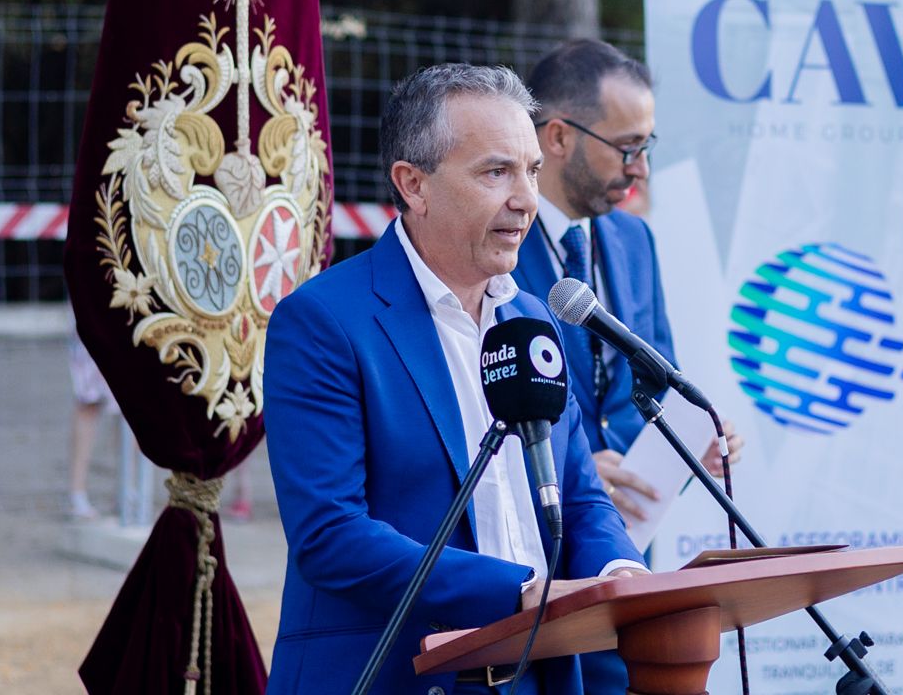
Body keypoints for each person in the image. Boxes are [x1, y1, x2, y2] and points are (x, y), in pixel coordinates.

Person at [264, 64, 645, 695]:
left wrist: (619, 570)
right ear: (413, 184)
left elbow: (578, 496)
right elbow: (330, 534)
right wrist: (517, 592)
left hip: (540, 672)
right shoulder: (324, 321)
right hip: (395, 676)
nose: (525, 199)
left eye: (531, 171)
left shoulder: (532, 316)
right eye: (497, 172)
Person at [515, 40, 742, 694]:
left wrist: (696, 443)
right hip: (530, 575)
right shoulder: (495, 241)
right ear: (557, 136)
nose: (640, 168)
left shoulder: (634, 239)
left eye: (647, 145)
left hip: (629, 562)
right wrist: (576, 470)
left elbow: (655, 381)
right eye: (627, 146)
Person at [68, 312, 117, 521]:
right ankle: (77, 492)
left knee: (132, 405)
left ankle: (127, 489)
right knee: (88, 400)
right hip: (92, 307)